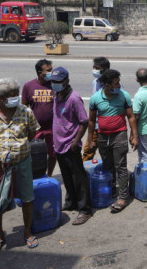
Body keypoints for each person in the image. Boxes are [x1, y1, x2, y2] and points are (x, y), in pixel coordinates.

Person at [0, 78, 40, 252]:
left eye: (16, 95)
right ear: (0, 97)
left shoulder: (25, 112)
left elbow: (32, 133)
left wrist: (17, 149)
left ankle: (27, 232)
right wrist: (1, 152)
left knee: (27, 198)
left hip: (23, 161)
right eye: (11, 96)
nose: (15, 99)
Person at [87, 69, 138, 213]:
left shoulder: (124, 96)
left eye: (118, 82)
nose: (119, 85)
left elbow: (131, 117)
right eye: (116, 83)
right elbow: (91, 121)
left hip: (119, 135)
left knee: (121, 166)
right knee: (108, 166)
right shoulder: (95, 98)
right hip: (103, 137)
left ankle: (123, 197)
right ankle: (112, 190)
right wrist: (91, 140)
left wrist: (135, 136)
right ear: (107, 85)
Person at [50, 67, 92, 224]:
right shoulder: (56, 95)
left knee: (78, 178)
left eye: (58, 82)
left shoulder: (74, 98)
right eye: (53, 81)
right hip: (59, 145)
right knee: (66, 177)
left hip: (71, 145)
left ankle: (85, 209)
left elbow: (84, 121)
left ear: (66, 81)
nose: (54, 84)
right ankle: (71, 202)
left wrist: (75, 142)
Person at [22, 59, 56, 176]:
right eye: (48, 70)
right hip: (35, 129)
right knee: (34, 154)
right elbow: (24, 108)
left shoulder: (55, 85)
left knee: (53, 154)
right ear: (39, 72)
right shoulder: (28, 86)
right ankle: (35, 175)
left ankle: (49, 175)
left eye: (51, 70)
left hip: (52, 128)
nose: (51, 72)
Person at [84, 56, 110, 162]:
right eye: (93, 67)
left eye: (97, 68)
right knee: (87, 151)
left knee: (106, 153)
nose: (94, 70)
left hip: (106, 126)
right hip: (95, 125)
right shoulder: (95, 82)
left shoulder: (114, 85)